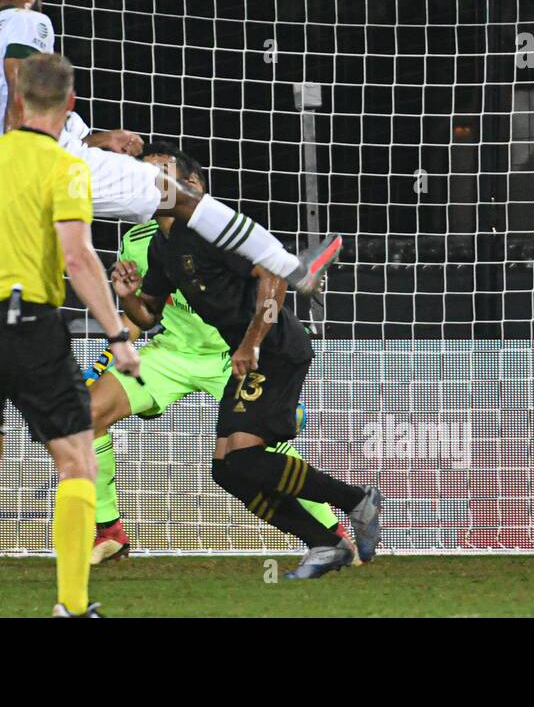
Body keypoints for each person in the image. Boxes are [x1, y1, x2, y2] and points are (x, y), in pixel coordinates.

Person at [0, 0, 342, 299]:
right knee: (184, 198)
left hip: (4, 172)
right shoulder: (29, 18)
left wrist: (101, 139)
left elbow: (25, 116)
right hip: (39, 162)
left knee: (32, 282)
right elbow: (19, 77)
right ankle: (293, 269)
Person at [0, 52, 142, 617]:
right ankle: (71, 605)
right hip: (29, 324)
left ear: (16, 100)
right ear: (68, 105)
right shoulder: (66, 166)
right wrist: (117, 334)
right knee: (76, 460)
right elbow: (78, 255)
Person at [85, 142, 356, 564]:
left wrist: (253, 341)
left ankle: (334, 530)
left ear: (190, 185)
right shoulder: (141, 240)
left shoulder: (224, 228)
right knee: (88, 414)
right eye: (142, 173)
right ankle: (109, 530)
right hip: (172, 352)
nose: (145, 181)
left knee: (254, 452)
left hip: (232, 353)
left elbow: (269, 274)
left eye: (157, 172)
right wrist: (113, 337)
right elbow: (144, 315)